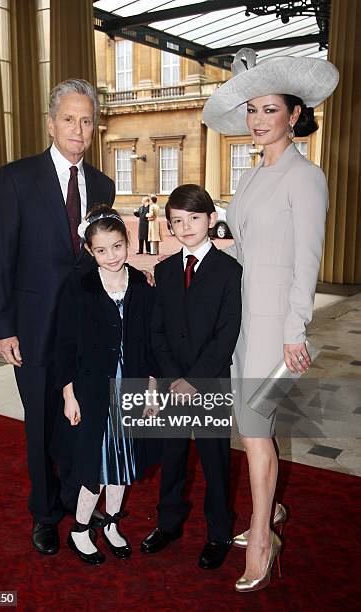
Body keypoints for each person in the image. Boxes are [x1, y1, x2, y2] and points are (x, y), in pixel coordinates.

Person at [202, 48, 339, 592]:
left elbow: (307, 262)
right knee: (256, 427)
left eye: (269, 110)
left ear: (293, 113)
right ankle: (271, 508)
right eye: (253, 110)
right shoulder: (254, 173)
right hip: (241, 317)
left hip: (272, 324)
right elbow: (243, 247)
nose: (258, 120)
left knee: (255, 433)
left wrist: (294, 331)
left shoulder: (306, 178)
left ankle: (261, 534)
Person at [0, 79, 115, 556]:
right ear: (51, 123)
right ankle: (44, 512)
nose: (78, 129)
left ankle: (71, 499)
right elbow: (0, 257)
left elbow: (102, 256)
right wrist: (4, 327)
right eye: (69, 118)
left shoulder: (103, 184)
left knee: (78, 420)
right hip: (34, 328)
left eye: (86, 120)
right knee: (39, 421)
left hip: (84, 331)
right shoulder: (16, 177)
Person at [140, 184, 242, 570]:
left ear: (212, 221)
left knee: (215, 460)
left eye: (194, 219)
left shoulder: (229, 271)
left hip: (210, 381)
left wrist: (194, 380)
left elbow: (227, 334)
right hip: (171, 380)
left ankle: (218, 532)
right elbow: (157, 330)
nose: (186, 228)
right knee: (173, 454)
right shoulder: (165, 270)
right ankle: (168, 523)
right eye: (177, 221)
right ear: (168, 226)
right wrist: (171, 377)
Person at [51, 206, 157, 564]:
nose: (111, 256)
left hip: (132, 386)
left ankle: (111, 522)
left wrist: (152, 387)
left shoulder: (142, 284)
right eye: (101, 250)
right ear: (89, 251)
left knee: (123, 461)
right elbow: (63, 343)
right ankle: (80, 529)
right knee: (93, 464)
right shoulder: (79, 287)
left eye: (117, 246)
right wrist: (69, 395)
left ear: (128, 242)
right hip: (92, 390)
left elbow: (151, 339)